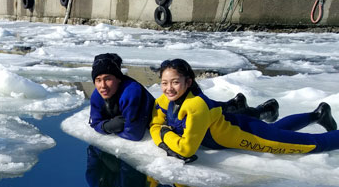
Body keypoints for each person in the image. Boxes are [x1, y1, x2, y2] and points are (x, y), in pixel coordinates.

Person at [150, 58, 339, 163]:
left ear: (188, 82)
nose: (169, 88)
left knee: (311, 144)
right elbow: (154, 125)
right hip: (236, 127)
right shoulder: (164, 101)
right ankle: (318, 115)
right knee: (280, 130)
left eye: (175, 82)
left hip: (249, 134)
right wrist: (162, 133)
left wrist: (164, 134)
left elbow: (186, 148)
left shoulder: (195, 106)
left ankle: (322, 120)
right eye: (164, 83)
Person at [88, 53, 279, 141]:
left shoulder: (131, 93)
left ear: (119, 79)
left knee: (225, 118)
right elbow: (95, 123)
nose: (102, 85)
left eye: (108, 79)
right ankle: (234, 103)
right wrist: (107, 126)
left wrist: (109, 127)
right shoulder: (98, 95)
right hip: (174, 109)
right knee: (216, 109)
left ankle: (263, 111)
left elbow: (134, 134)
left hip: (175, 112)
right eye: (98, 80)